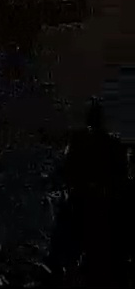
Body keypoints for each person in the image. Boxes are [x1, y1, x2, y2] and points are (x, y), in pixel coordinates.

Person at [53, 102, 127, 282]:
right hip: (100, 201)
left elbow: (67, 169)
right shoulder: (111, 143)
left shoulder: (79, 140)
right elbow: (120, 174)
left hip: (86, 200)